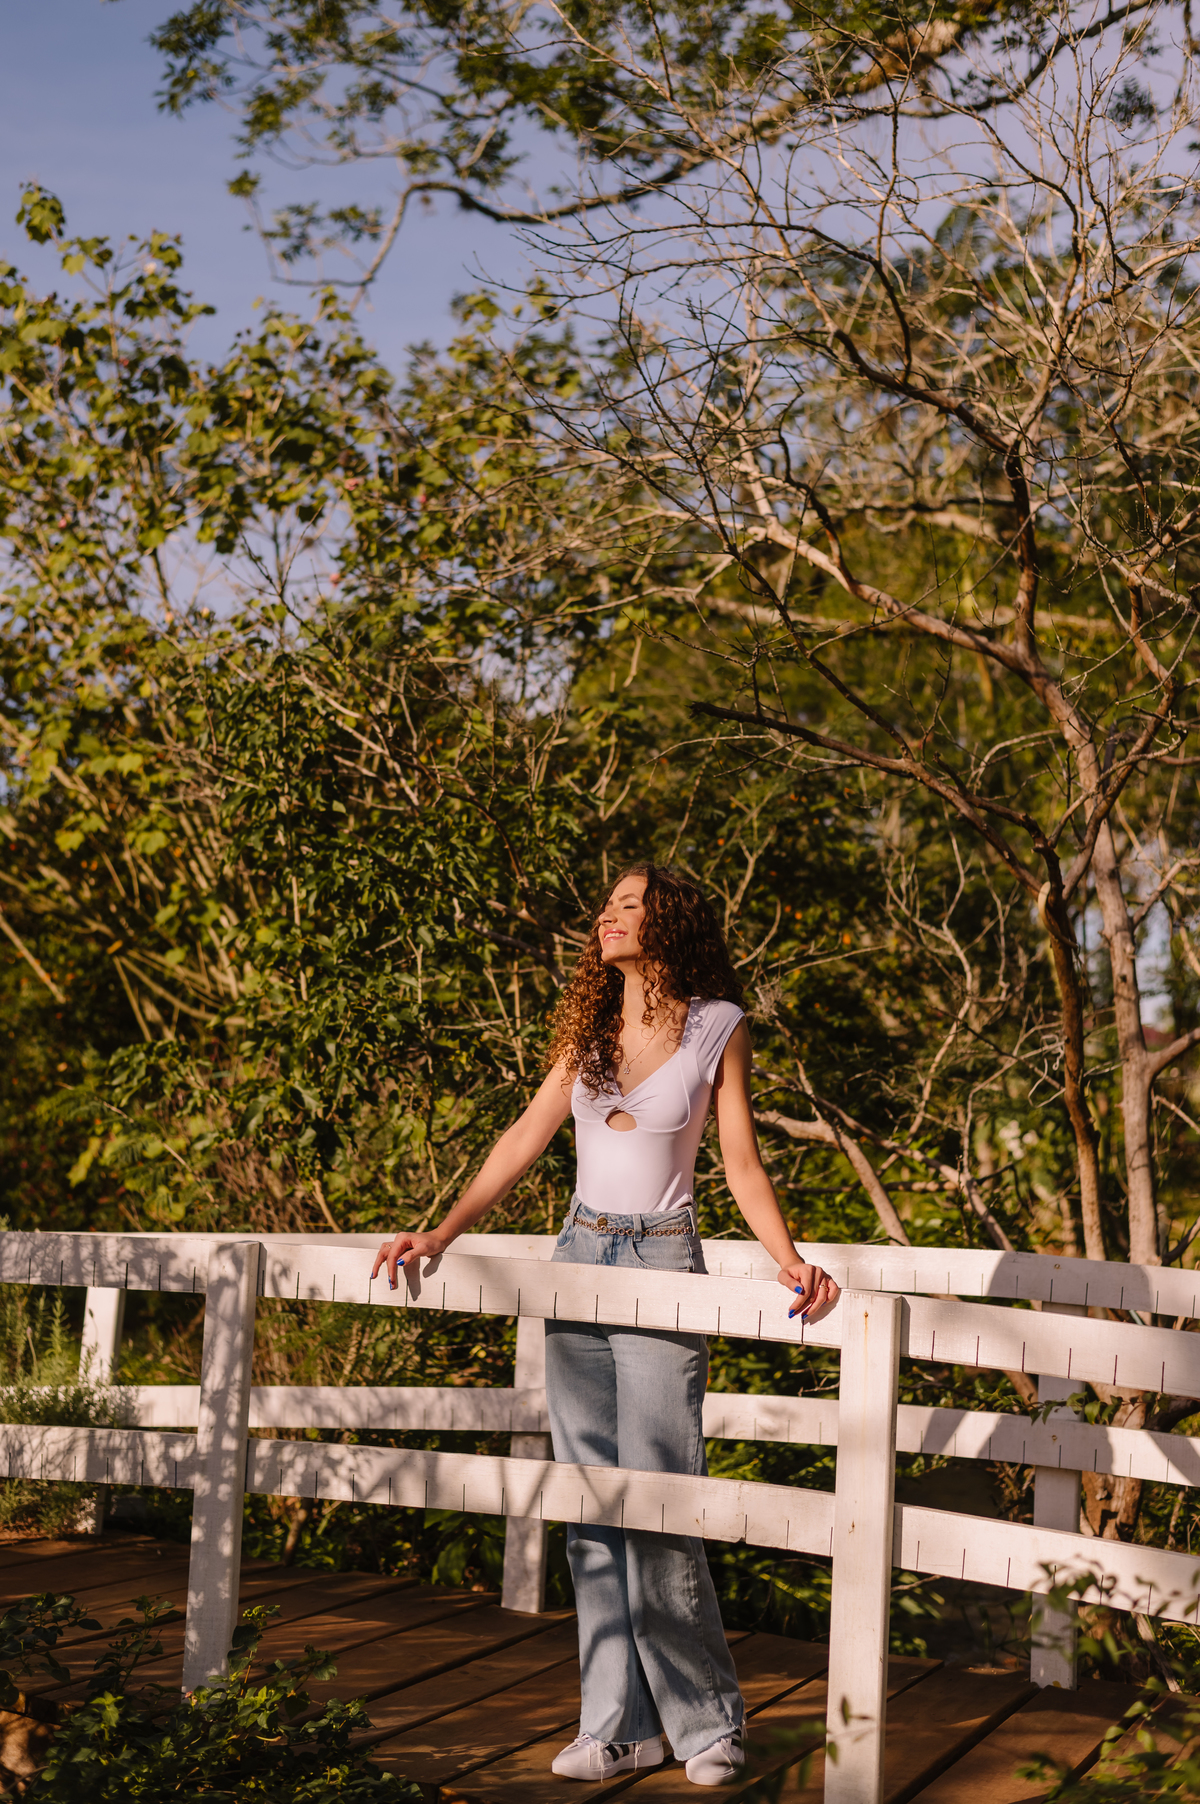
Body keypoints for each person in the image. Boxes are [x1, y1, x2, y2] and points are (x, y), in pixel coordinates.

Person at [373, 863, 840, 1787]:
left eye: (628, 905)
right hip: (577, 1258)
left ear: (667, 920)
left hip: (665, 1258)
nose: (607, 918)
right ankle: (616, 1724)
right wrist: (442, 1228)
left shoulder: (718, 1026)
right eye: (608, 906)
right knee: (590, 1509)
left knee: (663, 1502)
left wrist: (789, 1258)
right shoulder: (590, 1029)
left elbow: (739, 1161)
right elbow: (525, 1135)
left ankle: (708, 1724)